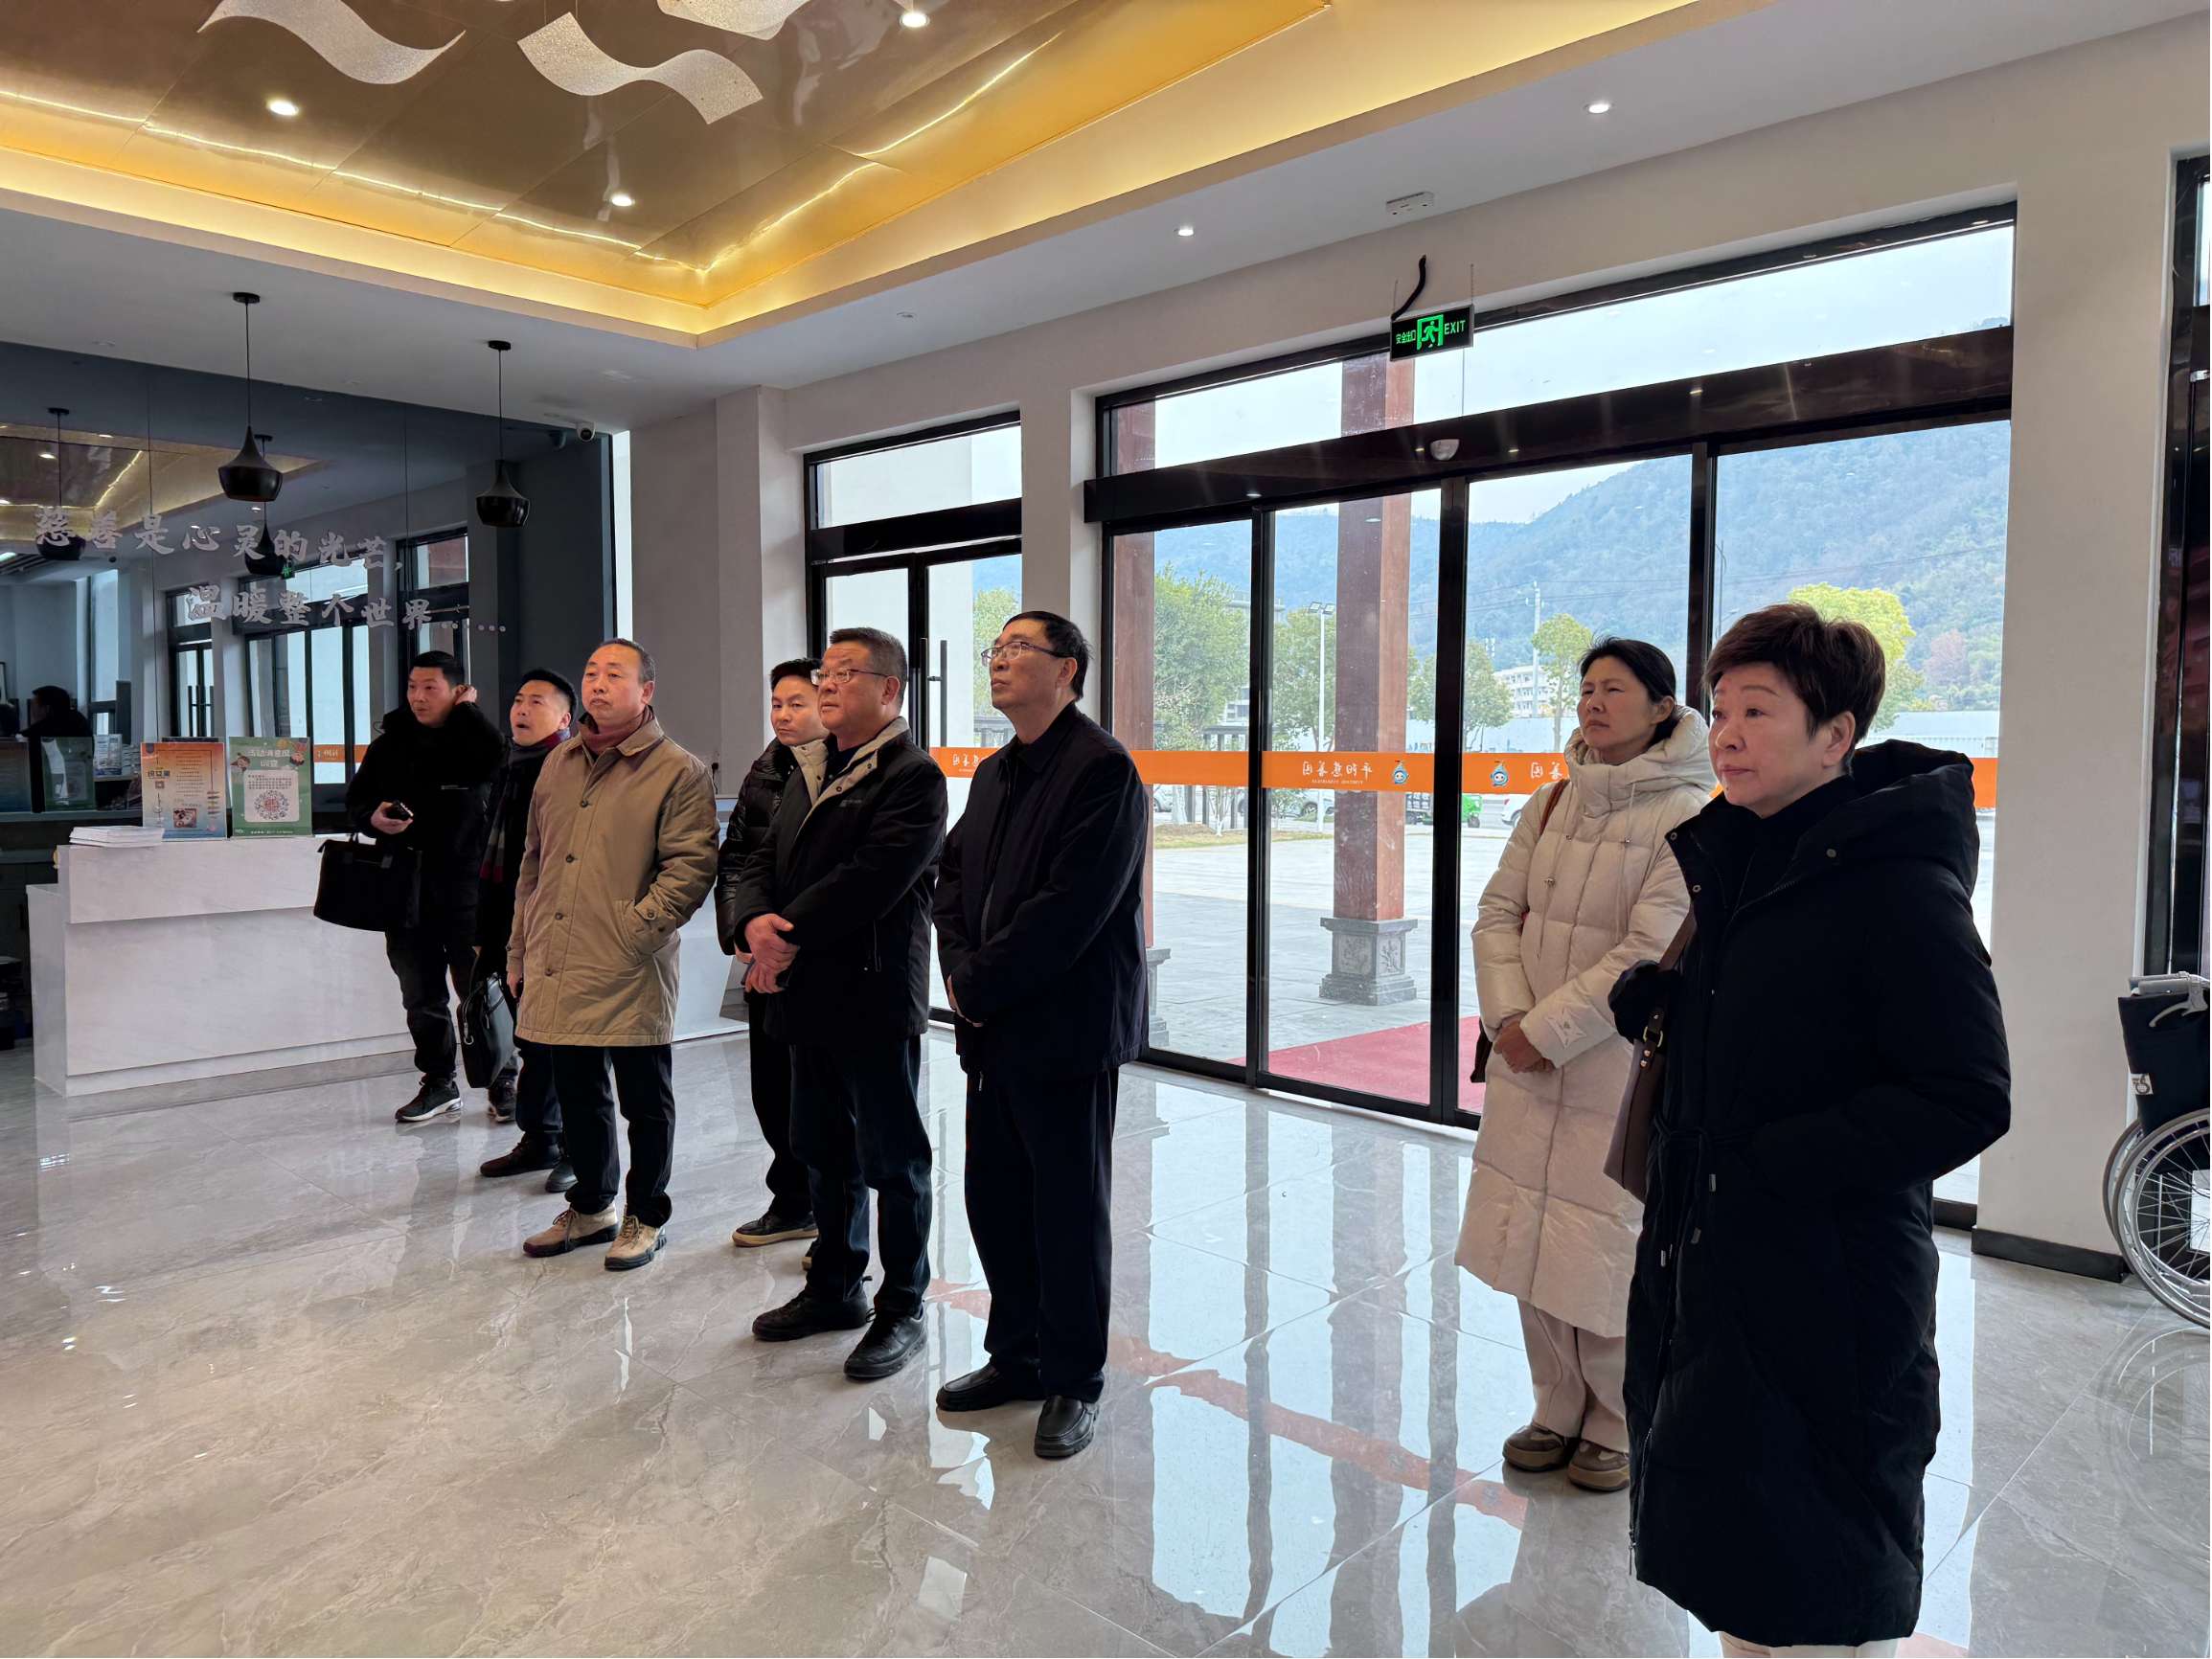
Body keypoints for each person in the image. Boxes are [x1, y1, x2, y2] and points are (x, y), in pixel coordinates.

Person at [1608, 604, 2010, 1656]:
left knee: (1813, 1579)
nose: (1727, 734)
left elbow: (1966, 1091)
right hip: (1720, 1270)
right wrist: (1667, 1004)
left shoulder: (1895, 886)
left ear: (1835, 735)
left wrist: (1777, 1165)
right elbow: (1788, 1030)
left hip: (1826, 1289)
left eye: (1758, 710)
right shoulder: (1748, 856)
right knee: (1747, 1574)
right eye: (1720, 708)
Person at [1461, 640, 1713, 1495]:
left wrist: (1548, 1030)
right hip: (1526, 1059)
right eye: (1586, 689)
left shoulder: (1687, 813)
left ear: (1661, 708)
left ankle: (1615, 1418)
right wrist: (1509, 1021)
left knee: (1602, 1243)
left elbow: (1649, 950)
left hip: (1613, 1064)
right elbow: (1497, 913)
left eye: (1614, 690)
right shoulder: (1551, 801)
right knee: (1526, 1236)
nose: (1593, 703)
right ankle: (1554, 1405)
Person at [933, 610, 1147, 1461]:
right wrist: (959, 970)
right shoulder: (995, 772)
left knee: (1065, 1208)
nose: (1000, 661)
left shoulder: (1103, 769)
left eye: (1019, 649)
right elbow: (952, 879)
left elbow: (1072, 908)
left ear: (1067, 671)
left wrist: (977, 982)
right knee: (995, 1198)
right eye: (995, 649)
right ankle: (1015, 1356)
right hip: (990, 1024)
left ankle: (1071, 1379)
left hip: (1065, 1027)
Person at [725, 627, 947, 1381]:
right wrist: (752, 926)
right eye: (824, 670)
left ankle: (902, 1306)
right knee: (821, 1149)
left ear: (888, 690)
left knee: (893, 1160)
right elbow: (758, 859)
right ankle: (834, 1287)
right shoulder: (811, 765)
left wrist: (780, 937)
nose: (826, 683)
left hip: (871, 991)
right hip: (804, 990)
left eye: (845, 672)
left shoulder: (912, 776)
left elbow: (871, 879)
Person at [513, 640, 718, 1271]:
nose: (598, 685)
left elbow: (690, 870)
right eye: (591, 673)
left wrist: (634, 932)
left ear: (646, 691)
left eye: (614, 675)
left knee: (644, 1100)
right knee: (578, 1095)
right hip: (558, 955)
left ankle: (646, 1214)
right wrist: (520, 948)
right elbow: (534, 864)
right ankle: (592, 1206)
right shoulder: (560, 761)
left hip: (631, 962)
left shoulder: (677, 770)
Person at [346, 650, 504, 1125]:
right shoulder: (390, 744)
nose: (418, 697)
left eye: (430, 688)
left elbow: (496, 758)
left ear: (458, 692)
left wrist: (469, 713)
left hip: (467, 891)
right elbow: (357, 802)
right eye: (413, 687)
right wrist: (372, 818)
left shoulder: (474, 740)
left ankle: (502, 1080)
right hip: (405, 889)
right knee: (420, 994)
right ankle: (439, 1082)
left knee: (480, 991)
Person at [716, 657, 827, 1252]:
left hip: (811, 954)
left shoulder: (842, 769)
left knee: (821, 1098)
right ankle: (792, 1201)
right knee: (771, 1088)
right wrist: (741, 932)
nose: (783, 715)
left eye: (797, 704)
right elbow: (736, 856)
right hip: (759, 951)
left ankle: (832, 1217)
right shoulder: (767, 767)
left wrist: (782, 941)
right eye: (777, 704)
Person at [476, 669, 576, 1193]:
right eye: (518, 700)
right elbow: (492, 858)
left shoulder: (570, 770)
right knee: (529, 1040)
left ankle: (576, 1149)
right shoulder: (510, 768)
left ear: (564, 718)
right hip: (507, 922)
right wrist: (485, 930)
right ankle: (540, 1140)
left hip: (554, 924)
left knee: (562, 1046)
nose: (521, 709)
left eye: (537, 702)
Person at [24, 685, 93, 812]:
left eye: (34, 708)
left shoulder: (40, 730)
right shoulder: (80, 721)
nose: (32, 713)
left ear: (46, 709)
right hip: (81, 794)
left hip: (45, 798)